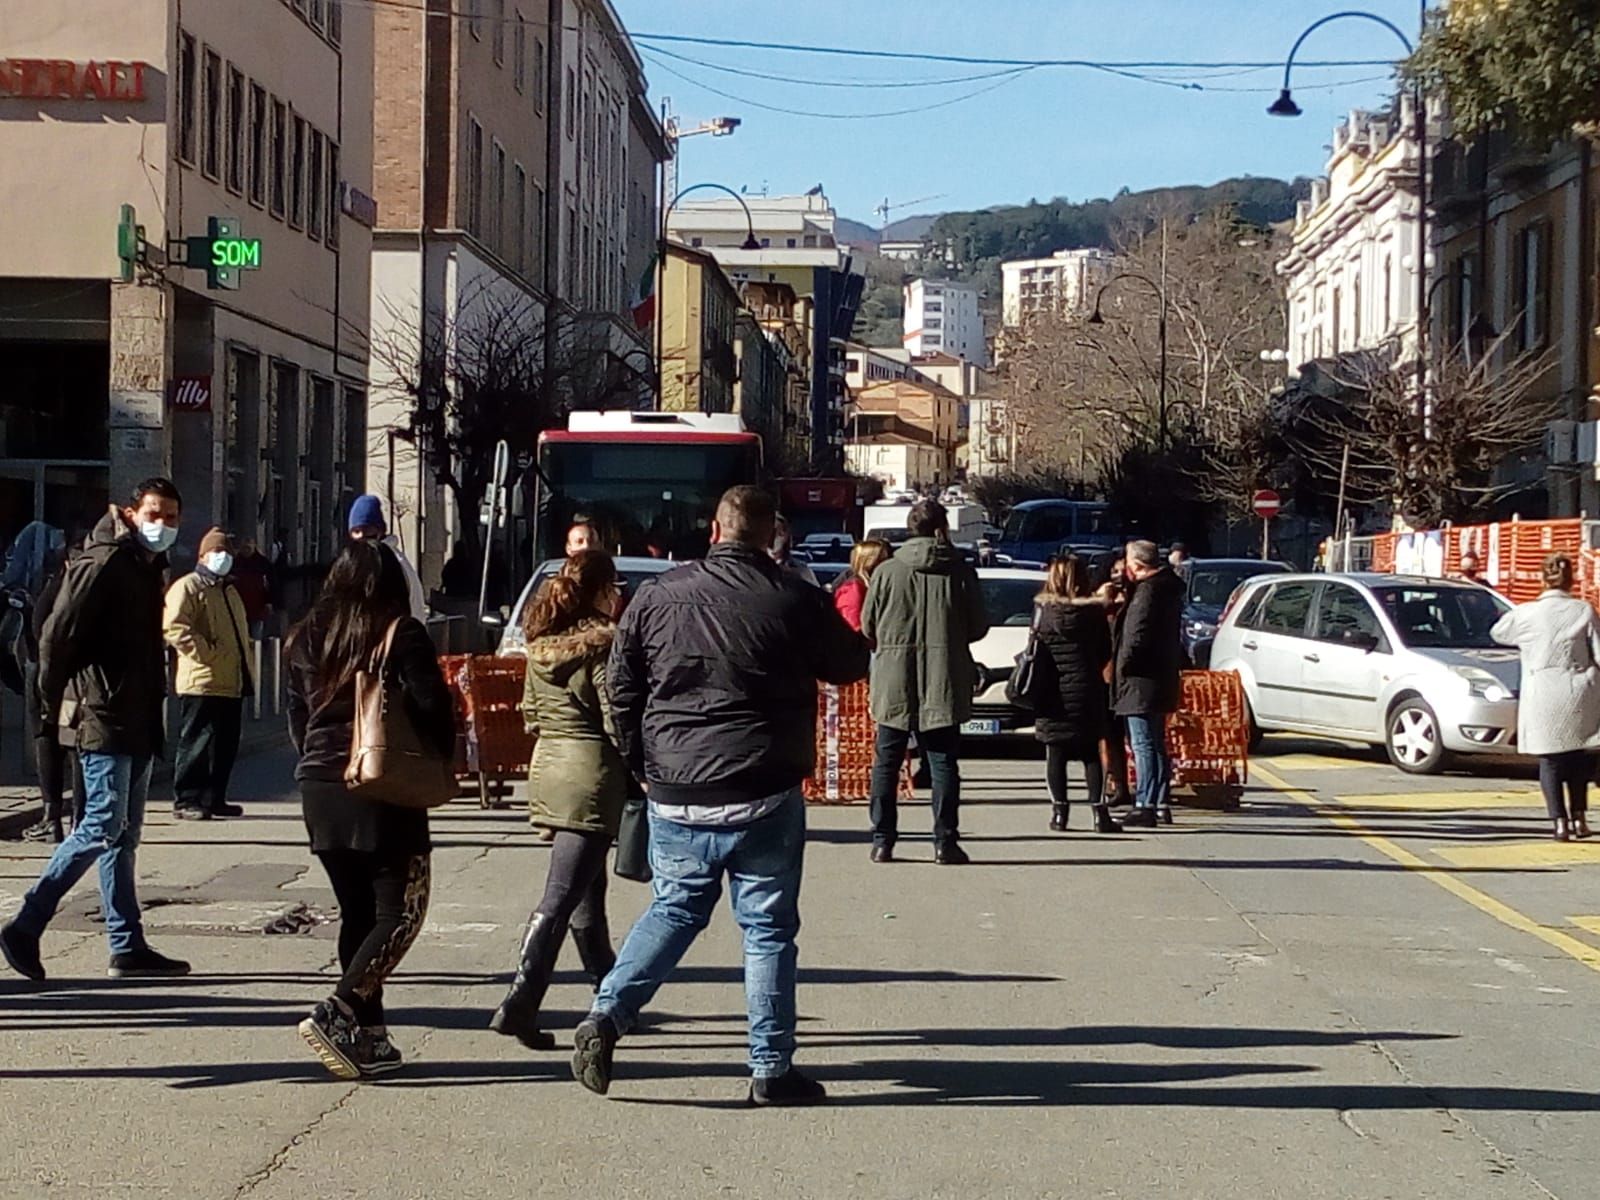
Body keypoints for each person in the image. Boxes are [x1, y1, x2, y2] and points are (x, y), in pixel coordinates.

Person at [571, 485, 868, 1106]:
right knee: (765, 930)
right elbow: (847, 663)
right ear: (769, 536)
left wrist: (640, 764)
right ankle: (769, 1068)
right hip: (762, 784)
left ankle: (605, 1017)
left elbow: (622, 689)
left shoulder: (655, 596)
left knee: (673, 909)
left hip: (676, 783)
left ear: (715, 529)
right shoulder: (792, 596)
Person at [0, 479, 190, 983]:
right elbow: (55, 638)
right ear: (131, 512)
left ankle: (126, 945)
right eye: (155, 513)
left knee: (122, 838)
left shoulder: (145, 565)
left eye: (172, 517)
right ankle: (27, 922)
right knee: (101, 825)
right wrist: (48, 712)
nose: (163, 525)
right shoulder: (103, 562)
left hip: (139, 716)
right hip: (102, 716)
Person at [285, 541, 456, 1078]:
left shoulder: (304, 636)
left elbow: (297, 720)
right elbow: (433, 710)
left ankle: (371, 1036)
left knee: (358, 912)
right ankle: (338, 1010)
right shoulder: (400, 632)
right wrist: (437, 759)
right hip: (381, 784)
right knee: (400, 911)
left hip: (319, 786)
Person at [490, 550, 626, 1049]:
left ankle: (608, 992)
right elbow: (614, 713)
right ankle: (521, 1001)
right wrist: (641, 762)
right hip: (590, 771)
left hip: (549, 765)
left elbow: (528, 712)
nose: (617, 595)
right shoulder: (600, 647)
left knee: (588, 888)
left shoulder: (541, 645)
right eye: (612, 586)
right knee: (565, 892)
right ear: (600, 591)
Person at [862, 498, 989, 865]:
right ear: (941, 528)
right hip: (943, 675)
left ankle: (883, 840)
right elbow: (978, 626)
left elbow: (868, 625)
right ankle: (945, 841)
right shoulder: (960, 572)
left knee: (887, 761)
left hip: (893, 676)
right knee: (943, 762)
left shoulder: (886, 571)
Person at [1490, 553, 1600, 842]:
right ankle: (1579, 818)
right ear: (1571, 578)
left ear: (1542, 578)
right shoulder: (1583, 610)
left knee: (1550, 761)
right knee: (1577, 757)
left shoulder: (1526, 613)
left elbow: (1498, 632)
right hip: (1579, 690)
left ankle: (1558, 822)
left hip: (1542, 691)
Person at [164, 528, 252, 821]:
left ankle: (215, 797)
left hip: (231, 681)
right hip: (201, 680)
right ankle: (187, 798)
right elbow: (175, 627)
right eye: (217, 552)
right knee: (196, 741)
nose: (223, 558)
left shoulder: (228, 591)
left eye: (227, 553)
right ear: (202, 555)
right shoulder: (188, 587)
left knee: (225, 743)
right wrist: (208, 654)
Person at [1033, 555, 1120, 834]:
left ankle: (1060, 813)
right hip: (1087, 687)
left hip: (1052, 689)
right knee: (1091, 754)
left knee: (1055, 753)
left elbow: (1034, 650)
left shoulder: (1043, 611)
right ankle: (1099, 813)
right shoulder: (1094, 613)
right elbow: (1105, 651)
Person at [1113, 540, 1187, 828]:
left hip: (1140, 680)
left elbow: (1135, 637)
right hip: (1161, 676)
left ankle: (1145, 803)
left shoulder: (1147, 593)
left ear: (1138, 565)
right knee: (1156, 743)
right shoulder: (1167, 589)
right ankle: (1159, 802)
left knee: (1143, 743)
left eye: (1129, 562)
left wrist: (1122, 670)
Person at [18, 532, 81, 845]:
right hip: (70, 683)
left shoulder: (57, 590)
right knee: (73, 747)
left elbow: (39, 633)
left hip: (53, 682)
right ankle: (72, 819)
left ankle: (54, 817)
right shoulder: (83, 591)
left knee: (54, 745)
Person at [348, 494, 427, 622]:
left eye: (367, 529)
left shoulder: (389, 563)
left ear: (381, 530)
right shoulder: (368, 561)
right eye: (356, 531)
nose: (362, 536)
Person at [833, 538, 891, 634]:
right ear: (870, 562)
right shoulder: (854, 589)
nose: (887, 564)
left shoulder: (873, 585)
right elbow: (852, 625)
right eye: (882, 560)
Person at [231, 538, 273, 639]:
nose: (246, 550)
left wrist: (269, 601)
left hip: (257, 606)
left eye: (249, 547)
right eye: (244, 547)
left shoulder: (263, 563)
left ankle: (256, 653)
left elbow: (271, 583)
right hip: (238, 606)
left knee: (256, 637)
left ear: (254, 546)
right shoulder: (235, 562)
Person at [770, 515, 819, 587]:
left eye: (780, 533)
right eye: (771, 533)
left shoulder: (801, 570)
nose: (773, 538)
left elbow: (815, 594)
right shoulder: (752, 569)